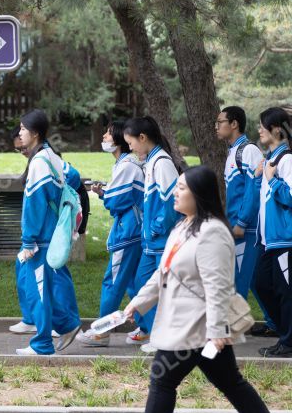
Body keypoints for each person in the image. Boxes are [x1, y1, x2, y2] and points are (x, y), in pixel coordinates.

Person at [124, 165, 276, 413]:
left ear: (199, 194)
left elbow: (217, 286)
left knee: (162, 378)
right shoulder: (184, 226)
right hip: (191, 327)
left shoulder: (212, 232)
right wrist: (139, 302)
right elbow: (164, 272)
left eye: (182, 188)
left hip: (197, 327)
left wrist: (217, 330)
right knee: (230, 381)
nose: (175, 192)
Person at [14, 109, 81, 356]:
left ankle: (43, 344)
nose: (19, 133)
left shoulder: (39, 162)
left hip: (40, 239)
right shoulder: (51, 156)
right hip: (50, 235)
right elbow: (73, 176)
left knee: (38, 290)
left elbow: (34, 204)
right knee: (47, 286)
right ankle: (68, 325)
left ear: (35, 133)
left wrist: (28, 241)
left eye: (22, 129)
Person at [77, 121, 144, 347]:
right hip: (134, 231)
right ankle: (147, 328)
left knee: (112, 281)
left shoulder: (126, 166)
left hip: (128, 233)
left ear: (119, 139)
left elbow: (116, 202)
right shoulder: (124, 164)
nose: (104, 137)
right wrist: (106, 193)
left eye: (107, 133)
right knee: (133, 283)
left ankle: (101, 333)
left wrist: (105, 195)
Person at [215, 106, 277, 338]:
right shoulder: (234, 152)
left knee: (239, 278)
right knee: (251, 278)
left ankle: (231, 330)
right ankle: (275, 322)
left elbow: (254, 188)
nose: (216, 126)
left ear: (234, 124)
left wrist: (241, 222)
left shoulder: (248, 151)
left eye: (220, 122)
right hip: (239, 226)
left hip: (247, 228)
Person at [253, 107, 292, 357]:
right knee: (262, 284)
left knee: (287, 292)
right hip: (270, 241)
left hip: (285, 239)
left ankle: (290, 343)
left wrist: (273, 180)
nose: (259, 129)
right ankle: (291, 332)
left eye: (262, 125)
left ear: (276, 129)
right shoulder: (272, 159)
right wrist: (261, 177)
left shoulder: (287, 160)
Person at [123, 116, 180, 353]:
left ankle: (162, 339)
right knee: (140, 284)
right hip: (151, 243)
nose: (130, 148)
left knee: (162, 291)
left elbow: (171, 202)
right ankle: (150, 330)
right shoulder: (152, 161)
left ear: (143, 138)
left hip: (161, 241)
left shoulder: (162, 163)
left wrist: (156, 228)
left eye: (131, 143)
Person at [8, 125, 36, 335]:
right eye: (18, 150)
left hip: (38, 236)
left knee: (40, 279)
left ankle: (55, 324)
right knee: (23, 273)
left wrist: (30, 240)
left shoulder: (45, 160)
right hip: (31, 234)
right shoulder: (35, 161)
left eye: (22, 147)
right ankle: (30, 318)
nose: (22, 151)